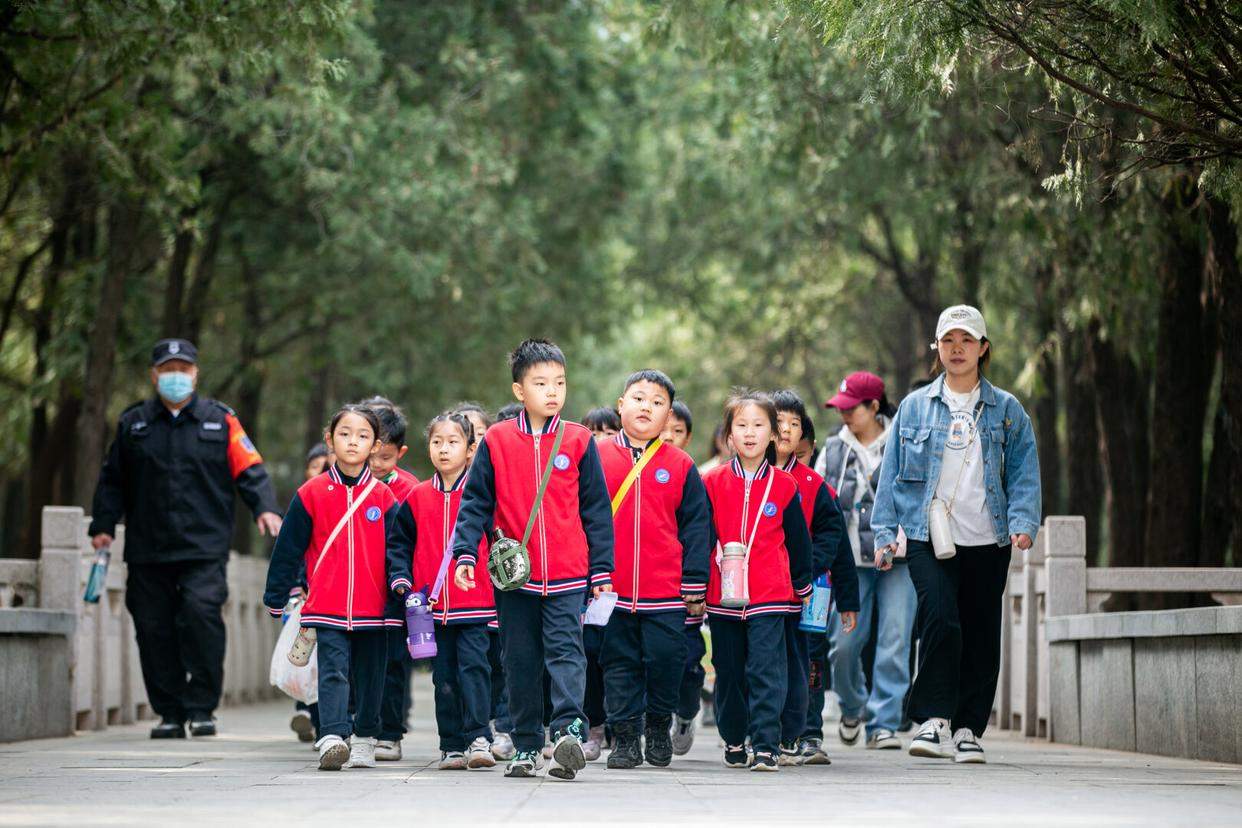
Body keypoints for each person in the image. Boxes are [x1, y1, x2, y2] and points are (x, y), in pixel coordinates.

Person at [872, 305, 1041, 764]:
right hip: (928, 533)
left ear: (983, 348)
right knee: (940, 618)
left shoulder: (1007, 409)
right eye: (949, 341)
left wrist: (1024, 521)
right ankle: (933, 720)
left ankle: (968, 728)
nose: (958, 348)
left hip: (989, 537)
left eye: (967, 340)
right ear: (938, 349)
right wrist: (885, 531)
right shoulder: (914, 406)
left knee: (982, 630)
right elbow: (889, 475)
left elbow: (1025, 469)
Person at [89, 338, 281, 739]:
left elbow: (251, 469)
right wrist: (103, 525)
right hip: (148, 547)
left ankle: (201, 707)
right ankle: (170, 712)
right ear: (154, 375)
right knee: (153, 626)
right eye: (167, 369)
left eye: (183, 369)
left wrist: (264, 508)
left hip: (203, 546)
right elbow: (112, 480)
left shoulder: (220, 420)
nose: (176, 376)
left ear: (195, 374)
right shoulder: (133, 424)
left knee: (201, 615)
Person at [451, 339, 615, 781]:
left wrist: (601, 570)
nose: (552, 391)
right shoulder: (498, 441)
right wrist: (464, 552)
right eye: (540, 383)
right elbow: (476, 504)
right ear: (519, 390)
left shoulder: (579, 440)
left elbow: (596, 510)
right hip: (514, 578)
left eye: (559, 382)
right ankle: (526, 744)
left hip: (566, 573)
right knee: (519, 659)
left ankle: (567, 734)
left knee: (566, 653)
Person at [263, 404, 402, 771]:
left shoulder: (384, 497)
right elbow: (288, 548)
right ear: (329, 440)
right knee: (332, 670)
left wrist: (402, 589)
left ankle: (366, 738)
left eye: (362, 436)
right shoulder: (311, 493)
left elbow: (398, 550)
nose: (353, 442)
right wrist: (276, 596)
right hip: (327, 604)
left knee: (372, 676)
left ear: (374, 445)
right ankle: (333, 736)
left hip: (376, 607)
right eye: (344, 434)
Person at [597, 371, 710, 769]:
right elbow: (583, 519)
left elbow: (697, 527)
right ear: (620, 405)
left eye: (657, 402)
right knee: (618, 663)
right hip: (610, 588)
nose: (646, 406)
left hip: (666, 591)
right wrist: (592, 573)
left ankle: (659, 726)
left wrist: (696, 582)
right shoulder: (596, 457)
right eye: (639, 398)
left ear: (669, 416)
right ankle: (625, 738)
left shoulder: (680, 465)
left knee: (667, 660)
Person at [703, 390, 814, 771]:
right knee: (730, 670)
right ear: (728, 436)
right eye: (741, 426)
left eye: (759, 425)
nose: (750, 434)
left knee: (767, 669)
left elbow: (799, 541)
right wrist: (698, 585)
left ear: (773, 435)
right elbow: (702, 539)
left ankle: (766, 744)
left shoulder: (785, 487)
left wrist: (802, 584)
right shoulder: (713, 482)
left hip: (771, 594)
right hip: (723, 595)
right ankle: (734, 737)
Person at [388, 413, 498, 770]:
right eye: (437, 442)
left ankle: (479, 737)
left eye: (453, 442)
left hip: (476, 603)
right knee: (444, 677)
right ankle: (451, 744)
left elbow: (500, 540)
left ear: (470, 450)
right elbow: (399, 545)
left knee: (476, 669)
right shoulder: (418, 497)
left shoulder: (481, 496)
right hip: (431, 608)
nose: (444, 449)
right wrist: (401, 580)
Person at [815, 371, 915, 751]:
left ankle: (883, 724)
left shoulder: (903, 442)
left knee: (894, 640)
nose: (844, 415)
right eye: (840, 408)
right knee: (843, 645)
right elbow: (819, 505)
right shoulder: (834, 450)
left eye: (851, 408)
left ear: (874, 406)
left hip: (900, 560)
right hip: (850, 565)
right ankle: (853, 705)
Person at [770, 389, 859, 765]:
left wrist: (848, 600)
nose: (786, 430)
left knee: (811, 661)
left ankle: (809, 733)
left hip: (811, 593)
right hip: (762, 593)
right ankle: (769, 731)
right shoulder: (740, 480)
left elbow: (836, 543)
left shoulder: (815, 486)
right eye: (778, 422)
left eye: (794, 423)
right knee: (767, 659)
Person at [451, 402, 514, 761]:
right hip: (468, 593)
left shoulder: (504, 479)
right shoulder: (445, 489)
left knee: (505, 662)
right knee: (476, 665)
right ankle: (477, 728)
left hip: (502, 589)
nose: (473, 445)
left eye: (478, 437)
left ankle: (504, 727)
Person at [362, 399, 419, 762]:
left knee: (395, 662)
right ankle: (357, 724)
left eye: (386, 458)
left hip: (396, 591)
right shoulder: (346, 485)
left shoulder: (411, 490)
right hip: (358, 590)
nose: (378, 466)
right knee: (359, 662)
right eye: (372, 458)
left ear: (401, 452)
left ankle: (390, 732)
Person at [661, 401, 711, 754]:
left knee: (690, 660)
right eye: (665, 429)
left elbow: (702, 534)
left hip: (686, 590)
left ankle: (686, 710)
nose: (669, 436)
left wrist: (698, 584)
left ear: (688, 437)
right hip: (652, 586)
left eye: (677, 432)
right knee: (655, 657)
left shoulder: (691, 475)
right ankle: (657, 719)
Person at [290, 443, 333, 744]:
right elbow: (291, 551)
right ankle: (305, 708)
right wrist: (293, 588)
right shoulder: (303, 500)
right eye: (315, 466)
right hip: (303, 596)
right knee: (306, 659)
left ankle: (322, 722)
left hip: (331, 595)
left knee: (328, 662)